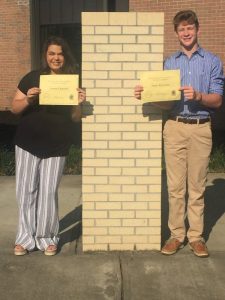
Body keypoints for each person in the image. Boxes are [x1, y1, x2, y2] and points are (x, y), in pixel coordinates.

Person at [135, 10, 224, 257]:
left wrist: (199, 96)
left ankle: (196, 236)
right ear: (176, 33)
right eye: (181, 29)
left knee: (196, 187)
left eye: (189, 28)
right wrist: (149, 96)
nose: (186, 33)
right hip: (173, 126)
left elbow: (217, 100)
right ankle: (176, 235)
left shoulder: (213, 61)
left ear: (197, 29)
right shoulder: (168, 63)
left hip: (200, 128)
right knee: (175, 187)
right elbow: (166, 103)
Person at [11, 36, 86, 256]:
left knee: (48, 192)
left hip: (56, 146)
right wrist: (28, 99)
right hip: (27, 144)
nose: (56, 57)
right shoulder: (32, 78)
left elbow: (75, 118)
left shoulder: (71, 81)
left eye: (60, 53)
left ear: (65, 56)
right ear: (46, 55)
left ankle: (47, 238)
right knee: (26, 192)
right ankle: (25, 239)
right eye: (52, 53)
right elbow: (15, 108)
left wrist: (78, 104)